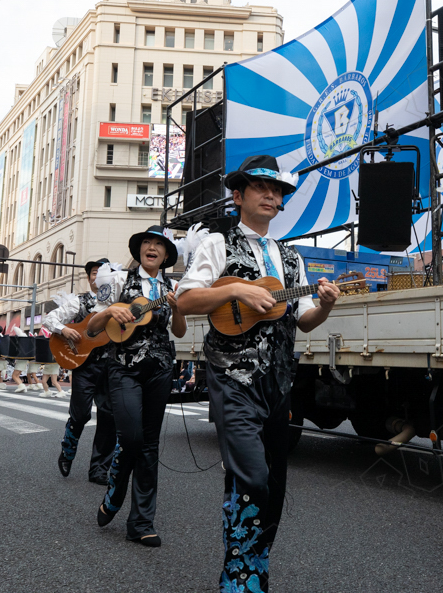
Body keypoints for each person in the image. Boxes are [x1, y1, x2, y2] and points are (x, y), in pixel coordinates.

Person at [177, 155, 340, 592]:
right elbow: (185, 300)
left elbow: (304, 321)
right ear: (238, 195)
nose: (272, 195)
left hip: (279, 384)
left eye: (279, 191)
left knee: (275, 485)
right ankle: (239, 579)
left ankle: (254, 569)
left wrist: (324, 305)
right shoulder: (217, 243)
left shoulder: (290, 257)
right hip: (233, 380)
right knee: (252, 476)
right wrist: (234, 288)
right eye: (261, 187)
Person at [88, 228, 186, 546]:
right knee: (131, 437)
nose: (152, 247)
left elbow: (180, 332)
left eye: (158, 244)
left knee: (149, 445)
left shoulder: (173, 287)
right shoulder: (118, 281)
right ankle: (115, 493)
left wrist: (180, 309)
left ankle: (141, 522)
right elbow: (91, 328)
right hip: (123, 369)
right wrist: (109, 311)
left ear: (167, 254)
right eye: (147, 242)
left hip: (160, 369)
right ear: (139, 249)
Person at [45, 257, 117, 485]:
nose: (98, 277)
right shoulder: (80, 301)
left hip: (113, 366)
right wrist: (64, 330)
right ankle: (67, 451)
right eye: (94, 273)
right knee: (81, 414)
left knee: (109, 417)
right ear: (89, 278)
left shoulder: (119, 303)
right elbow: (50, 319)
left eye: (103, 273)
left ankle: (99, 469)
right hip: (85, 365)